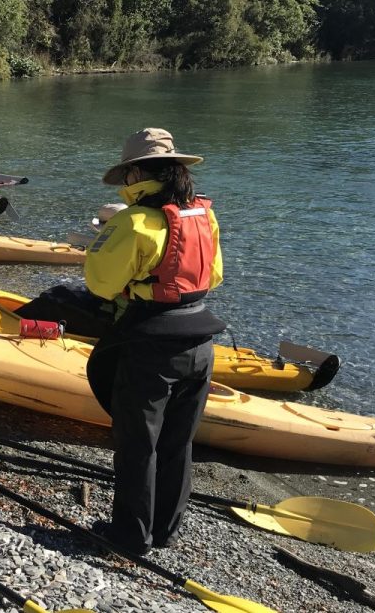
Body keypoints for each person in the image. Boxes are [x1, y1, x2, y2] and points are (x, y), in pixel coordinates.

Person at [83, 128, 226, 554]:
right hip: (200, 340)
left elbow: (100, 283)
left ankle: (129, 537)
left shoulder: (132, 222)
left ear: (137, 174)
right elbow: (213, 275)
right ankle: (165, 530)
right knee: (178, 443)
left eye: (127, 174)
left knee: (137, 445)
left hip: (151, 344)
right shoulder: (204, 215)